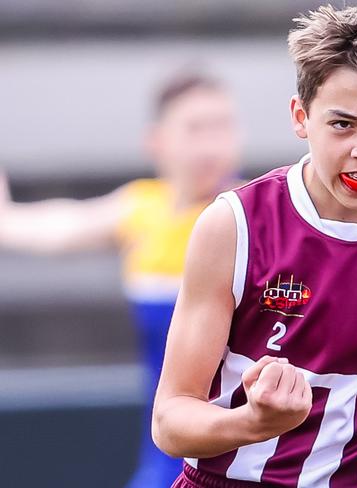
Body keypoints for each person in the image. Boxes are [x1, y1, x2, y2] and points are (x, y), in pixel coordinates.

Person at [152, 4, 357, 488]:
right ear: (301, 117)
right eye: (343, 124)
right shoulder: (234, 225)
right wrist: (252, 423)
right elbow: (170, 421)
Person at [0, 73, 243, 488]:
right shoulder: (142, 210)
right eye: (195, 128)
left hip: (240, 454)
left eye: (221, 126)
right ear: (158, 140)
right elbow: (54, 227)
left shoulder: (252, 214)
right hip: (165, 450)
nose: (210, 144)